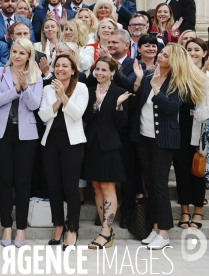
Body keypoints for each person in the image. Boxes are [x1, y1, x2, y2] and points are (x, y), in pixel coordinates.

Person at [130, 44, 208, 249]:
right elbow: (137, 103)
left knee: (159, 185)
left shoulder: (179, 82)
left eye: (164, 55)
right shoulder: (147, 76)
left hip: (164, 140)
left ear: (173, 60)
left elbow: (170, 107)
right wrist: (139, 82)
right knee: (150, 184)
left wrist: (157, 88)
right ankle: (156, 228)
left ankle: (164, 233)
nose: (159, 56)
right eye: (161, 53)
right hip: (144, 137)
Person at [0, 38, 42, 247]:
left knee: (22, 181)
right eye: (14, 52)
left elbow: (35, 105)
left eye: (22, 53)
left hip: (26, 134)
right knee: (4, 180)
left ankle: (21, 228)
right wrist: (17, 89)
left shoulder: (35, 75)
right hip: (3, 131)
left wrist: (26, 87)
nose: (17, 56)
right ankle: (6, 225)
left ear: (29, 55)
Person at [38, 54, 88, 250]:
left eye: (65, 66)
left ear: (73, 69)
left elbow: (77, 114)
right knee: (54, 187)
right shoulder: (47, 88)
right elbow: (43, 115)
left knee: (71, 188)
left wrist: (64, 96)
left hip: (72, 143)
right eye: (57, 65)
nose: (60, 69)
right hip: (51, 142)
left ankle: (72, 229)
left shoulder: (81, 88)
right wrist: (57, 99)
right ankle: (58, 225)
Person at [82, 56, 131, 249]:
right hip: (91, 144)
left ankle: (105, 231)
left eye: (104, 70)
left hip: (110, 145)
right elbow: (85, 117)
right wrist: (97, 103)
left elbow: (122, 124)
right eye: (97, 69)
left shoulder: (121, 92)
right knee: (95, 186)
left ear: (112, 72)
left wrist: (118, 105)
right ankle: (107, 230)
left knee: (108, 187)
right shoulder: (89, 91)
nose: (100, 73)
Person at [174, 38, 209, 230]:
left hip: (199, 133)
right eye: (189, 49)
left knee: (197, 172)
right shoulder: (178, 75)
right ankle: (185, 211)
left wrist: (197, 112)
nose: (193, 53)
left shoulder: (207, 78)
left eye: (197, 49)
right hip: (179, 132)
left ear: (205, 52)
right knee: (181, 172)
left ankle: (198, 211)